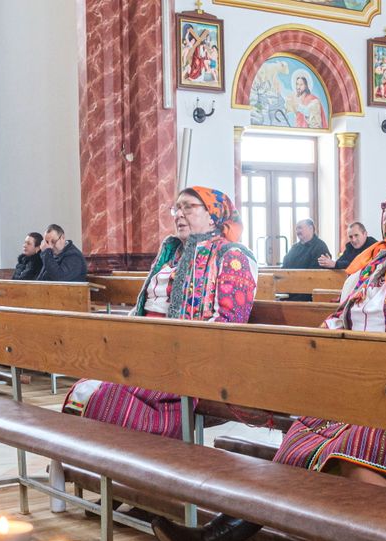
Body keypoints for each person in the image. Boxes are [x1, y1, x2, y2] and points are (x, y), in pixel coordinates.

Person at [150, 173, 386, 541]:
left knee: (353, 460)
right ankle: (219, 540)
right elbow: (341, 318)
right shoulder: (375, 264)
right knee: (301, 444)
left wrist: (369, 361)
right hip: (357, 391)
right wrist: (319, 348)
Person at [62, 187, 257, 437]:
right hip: (146, 350)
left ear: (213, 216)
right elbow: (142, 309)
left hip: (190, 360)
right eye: (177, 208)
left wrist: (172, 352)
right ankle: (89, 468)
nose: (179, 214)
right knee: (84, 389)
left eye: (189, 207)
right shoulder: (170, 254)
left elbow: (229, 325)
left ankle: (124, 468)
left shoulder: (232, 255)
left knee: (106, 398)